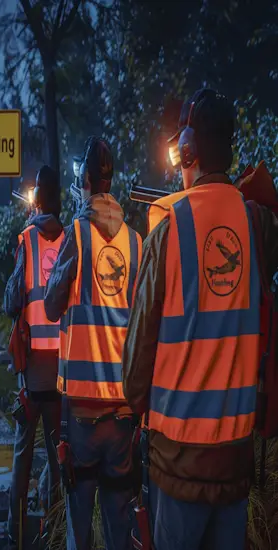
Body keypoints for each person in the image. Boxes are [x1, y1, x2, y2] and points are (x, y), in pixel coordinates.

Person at [122, 88, 278, 550]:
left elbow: (135, 372)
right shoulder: (257, 225)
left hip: (177, 467)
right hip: (234, 462)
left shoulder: (168, 229)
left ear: (187, 151)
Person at [44, 137, 142, 550]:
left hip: (83, 416)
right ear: (112, 181)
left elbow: (51, 307)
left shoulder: (76, 237)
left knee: (79, 531)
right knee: (121, 528)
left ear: (84, 181)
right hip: (124, 413)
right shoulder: (137, 244)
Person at [4, 164, 64, 549]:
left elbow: (12, 302)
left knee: (23, 455)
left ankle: (16, 531)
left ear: (37, 198)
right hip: (63, 371)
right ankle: (58, 526)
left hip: (31, 375)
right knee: (60, 456)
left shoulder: (27, 239)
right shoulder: (73, 237)